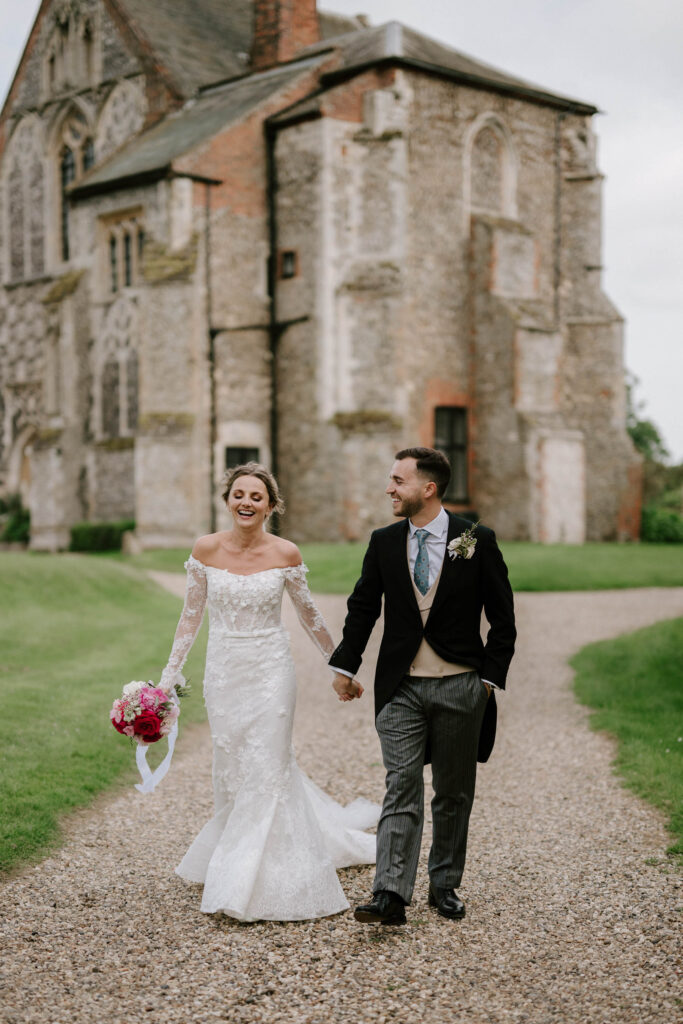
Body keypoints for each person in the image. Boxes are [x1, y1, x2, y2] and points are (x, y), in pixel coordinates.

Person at [160, 462, 378, 921]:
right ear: (227, 500)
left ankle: (244, 878)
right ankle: (238, 848)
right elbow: (190, 618)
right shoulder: (204, 550)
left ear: (271, 506)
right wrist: (168, 677)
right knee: (233, 765)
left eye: (256, 496)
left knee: (269, 764)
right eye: (239, 494)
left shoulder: (286, 554)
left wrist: (340, 666)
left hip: (271, 672)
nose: (246, 502)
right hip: (224, 672)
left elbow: (310, 616)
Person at [330, 447, 516, 925]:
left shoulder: (477, 540)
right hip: (401, 688)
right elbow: (363, 607)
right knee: (402, 785)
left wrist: (488, 681)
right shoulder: (384, 540)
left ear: (428, 488)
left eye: (398, 480)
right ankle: (390, 892)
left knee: (453, 792)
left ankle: (444, 884)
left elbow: (503, 618)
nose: (389, 488)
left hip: (461, 686)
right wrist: (345, 665)